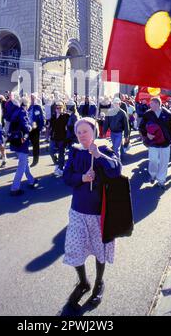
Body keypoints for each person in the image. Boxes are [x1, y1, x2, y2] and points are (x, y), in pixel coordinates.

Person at [63, 117, 121, 308]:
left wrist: (98, 156)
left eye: (85, 131)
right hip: (78, 210)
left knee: (100, 250)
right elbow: (67, 177)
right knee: (75, 247)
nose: (81, 136)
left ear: (94, 131)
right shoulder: (75, 150)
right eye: (78, 132)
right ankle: (83, 282)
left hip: (100, 212)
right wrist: (82, 177)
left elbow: (116, 170)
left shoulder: (104, 149)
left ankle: (99, 282)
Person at [139, 97, 171, 189]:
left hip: (165, 143)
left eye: (151, 103)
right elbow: (141, 127)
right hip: (153, 143)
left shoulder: (168, 114)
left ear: (157, 104)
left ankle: (161, 180)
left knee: (164, 162)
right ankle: (152, 175)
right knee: (153, 160)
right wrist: (146, 134)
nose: (150, 105)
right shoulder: (147, 114)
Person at [8, 97, 38, 196]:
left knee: (25, 162)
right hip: (22, 142)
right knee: (22, 165)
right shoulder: (23, 112)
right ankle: (15, 188)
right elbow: (26, 127)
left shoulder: (15, 111)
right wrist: (32, 126)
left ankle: (31, 180)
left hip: (14, 141)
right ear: (26, 104)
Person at [49, 101, 69, 177]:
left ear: (63, 108)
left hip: (62, 138)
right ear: (55, 108)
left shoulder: (66, 116)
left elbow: (68, 127)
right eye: (57, 108)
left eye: (60, 107)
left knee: (61, 154)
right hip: (53, 137)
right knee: (51, 151)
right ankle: (57, 164)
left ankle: (60, 169)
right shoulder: (53, 116)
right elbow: (50, 125)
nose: (59, 109)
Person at [28, 93, 45, 167]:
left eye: (33, 98)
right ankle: (26, 160)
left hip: (35, 128)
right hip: (28, 128)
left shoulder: (38, 107)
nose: (32, 99)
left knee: (35, 144)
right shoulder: (28, 107)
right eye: (31, 98)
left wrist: (40, 128)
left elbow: (41, 118)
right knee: (29, 143)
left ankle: (35, 160)